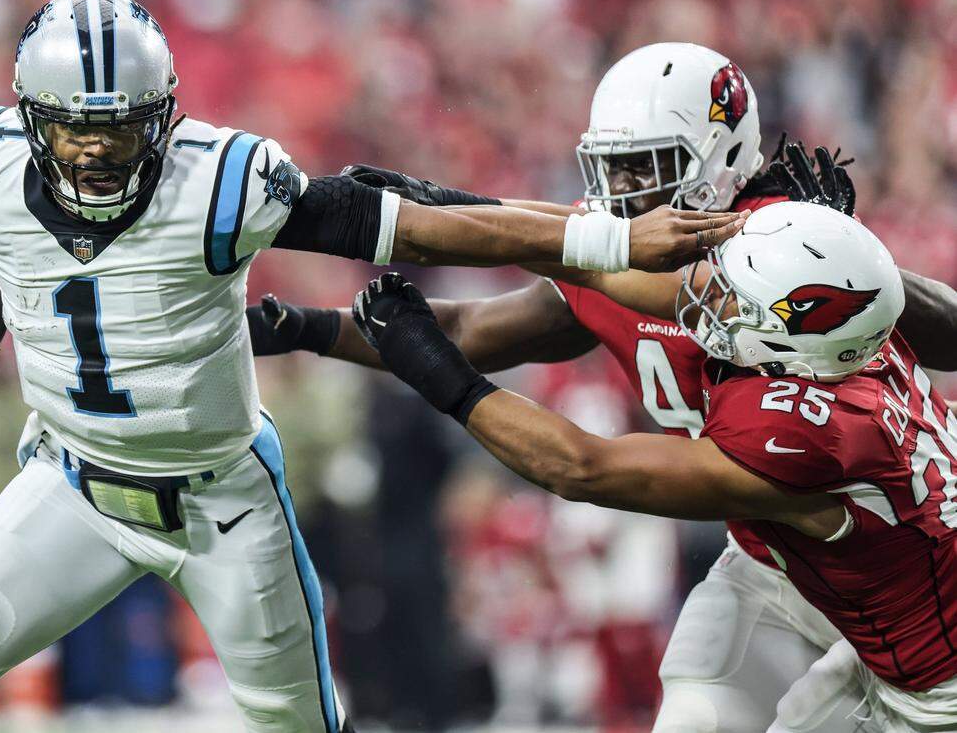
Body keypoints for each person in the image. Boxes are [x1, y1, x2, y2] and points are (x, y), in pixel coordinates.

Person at [0, 0, 740, 733]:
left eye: (121, 133)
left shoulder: (220, 180)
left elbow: (417, 227)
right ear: (28, 119)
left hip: (222, 505)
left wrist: (606, 236)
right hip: (71, 484)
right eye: (74, 131)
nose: (95, 155)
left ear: (163, 118)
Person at [248, 43, 957, 731]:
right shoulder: (768, 267)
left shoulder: (781, 270)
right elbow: (565, 269)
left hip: (906, 629)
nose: (620, 194)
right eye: (612, 170)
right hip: (789, 555)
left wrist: (432, 262)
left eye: (645, 168)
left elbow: (584, 458)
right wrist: (311, 324)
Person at [351, 201, 957, 732]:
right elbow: (599, 271)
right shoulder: (862, 347)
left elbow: (582, 467)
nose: (712, 303)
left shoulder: (806, 434)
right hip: (896, 652)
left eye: (739, 299)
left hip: (936, 699)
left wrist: (441, 373)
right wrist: (443, 208)